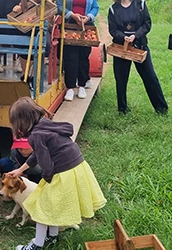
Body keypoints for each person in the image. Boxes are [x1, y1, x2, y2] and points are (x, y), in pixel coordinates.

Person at [7, 97, 106, 250]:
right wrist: (20, 170)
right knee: (53, 207)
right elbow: (37, 154)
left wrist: (47, 180)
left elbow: (46, 164)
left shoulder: (36, 135)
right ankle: (52, 237)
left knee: (42, 207)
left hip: (62, 172)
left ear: (21, 122)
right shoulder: (45, 125)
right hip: (76, 166)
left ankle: (37, 245)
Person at [107, 0, 168, 114]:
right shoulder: (113, 9)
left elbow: (147, 24)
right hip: (121, 48)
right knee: (121, 79)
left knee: (150, 77)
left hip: (140, 45)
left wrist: (136, 35)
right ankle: (122, 109)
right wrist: (124, 37)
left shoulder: (140, 4)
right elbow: (113, 29)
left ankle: (161, 108)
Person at [56, 0, 99, 101]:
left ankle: (81, 85)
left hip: (86, 27)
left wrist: (89, 17)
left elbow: (95, 7)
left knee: (83, 56)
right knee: (70, 57)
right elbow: (59, 6)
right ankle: (70, 87)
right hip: (70, 25)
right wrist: (71, 15)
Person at [7, 0, 45, 82]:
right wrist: (15, 10)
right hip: (20, 30)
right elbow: (7, 14)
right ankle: (26, 75)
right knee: (24, 41)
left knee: (40, 41)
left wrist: (46, 2)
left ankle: (33, 76)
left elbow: (47, 12)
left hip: (37, 29)